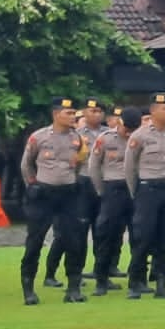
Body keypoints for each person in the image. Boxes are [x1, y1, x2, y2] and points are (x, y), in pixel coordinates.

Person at [20, 98, 89, 305]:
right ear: (56, 114)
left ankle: (74, 288)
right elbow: (26, 164)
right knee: (35, 241)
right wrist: (32, 185)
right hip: (43, 195)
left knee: (73, 241)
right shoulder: (38, 137)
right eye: (68, 113)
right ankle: (29, 289)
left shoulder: (77, 138)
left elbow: (79, 163)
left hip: (68, 194)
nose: (72, 117)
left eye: (73, 113)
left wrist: (71, 179)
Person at [124, 93, 165, 300]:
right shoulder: (139, 136)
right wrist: (137, 192)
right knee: (143, 237)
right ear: (152, 111)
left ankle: (161, 284)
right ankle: (135, 282)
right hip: (147, 189)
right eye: (164, 109)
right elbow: (129, 168)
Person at [45, 97, 108, 288]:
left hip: (102, 185)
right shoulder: (76, 135)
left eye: (98, 111)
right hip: (81, 184)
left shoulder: (109, 134)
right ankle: (61, 273)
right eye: (90, 111)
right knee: (73, 232)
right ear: (84, 113)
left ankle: (101, 273)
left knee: (101, 232)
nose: (94, 114)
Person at [87, 106, 138, 296]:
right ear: (119, 122)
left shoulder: (140, 138)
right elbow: (93, 166)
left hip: (135, 190)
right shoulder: (105, 139)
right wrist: (102, 191)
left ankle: (137, 279)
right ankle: (101, 280)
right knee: (107, 235)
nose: (129, 132)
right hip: (112, 189)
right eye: (127, 128)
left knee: (138, 235)